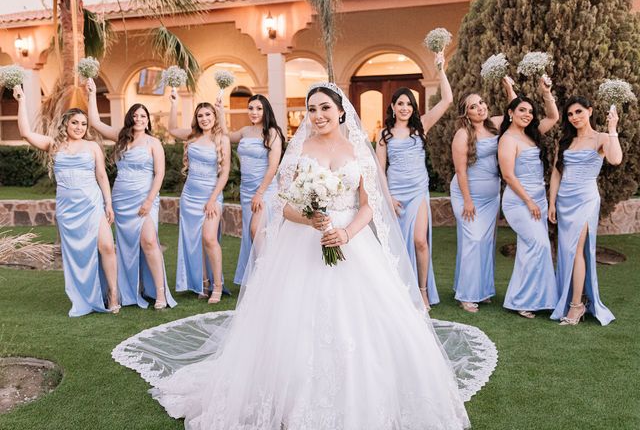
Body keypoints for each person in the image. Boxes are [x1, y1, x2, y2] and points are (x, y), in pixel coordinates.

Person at [112, 83, 504, 429]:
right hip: (304, 243)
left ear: (340, 111)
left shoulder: (357, 149)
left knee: (365, 325)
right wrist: (313, 220)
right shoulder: (300, 150)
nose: (317, 116)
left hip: (351, 244)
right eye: (312, 109)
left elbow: (368, 205)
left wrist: (347, 233)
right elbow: (284, 206)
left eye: (325, 109)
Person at [13, 85, 119, 316]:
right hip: (68, 209)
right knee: (77, 255)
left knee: (107, 246)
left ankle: (113, 293)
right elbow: (25, 133)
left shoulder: (92, 146)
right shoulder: (54, 145)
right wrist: (21, 100)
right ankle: (83, 296)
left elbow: (101, 175)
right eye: (75, 123)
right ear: (66, 124)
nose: (80, 127)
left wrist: (108, 204)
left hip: (92, 203)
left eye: (83, 124)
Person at [87, 79, 176, 310]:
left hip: (145, 199)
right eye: (135, 116)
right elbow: (95, 122)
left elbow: (159, 174)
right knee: (124, 246)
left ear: (148, 121)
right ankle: (128, 291)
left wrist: (148, 201)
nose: (139, 119)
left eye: (143, 116)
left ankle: (160, 293)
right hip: (121, 199)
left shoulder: (154, 143)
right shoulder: (121, 137)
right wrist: (92, 92)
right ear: (130, 118)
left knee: (149, 241)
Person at [375, 51, 452, 310]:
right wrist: (388, 198)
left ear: (413, 107)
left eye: (409, 104)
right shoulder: (383, 135)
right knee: (396, 246)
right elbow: (379, 170)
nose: (405, 107)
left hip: (418, 191)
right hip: (395, 193)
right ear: (393, 107)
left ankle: (422, 291)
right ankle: (399, 290)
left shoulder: (422, 127)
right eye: (400, 104)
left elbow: (448, 100)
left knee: (420, 240)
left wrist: (440, 67)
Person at [549, 97, 622, 325]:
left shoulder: (601, 138)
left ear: (589, 111)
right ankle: (571, 298)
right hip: (564, 201)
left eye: (579, 112)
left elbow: (616, 159)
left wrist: (612, 130)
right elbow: (556, 173)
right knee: (566, 251)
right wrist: (551, 202)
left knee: (577, 250)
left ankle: (576, 305)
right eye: (570, 114)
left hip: (586, 199)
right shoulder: (565, 141)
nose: (575, 117)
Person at [450, 77, 515, 313]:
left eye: (482, 103)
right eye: (474, 106)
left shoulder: (495, 125)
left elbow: (515, 112)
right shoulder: (462, 135)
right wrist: (467, 200)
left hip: (491, 197)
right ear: (466, 113)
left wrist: (509, 89)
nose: (481, 108)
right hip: (467, 195)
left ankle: (482, 290)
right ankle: (466, 294)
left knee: (485, 243)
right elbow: (460, 170)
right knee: (473, 240)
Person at [498, 76, 559, 319]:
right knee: (539, 245)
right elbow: (508, 176)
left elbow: (553, 117)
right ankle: (522, 299)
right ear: (510, 113)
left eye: (531, 112)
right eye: (522, 110)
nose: (528, 114)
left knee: (530, 248)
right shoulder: (507, 140)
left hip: (538, 201)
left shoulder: (531, 135)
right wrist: (529, 202)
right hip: (519, 201)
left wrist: (546, 92)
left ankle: (533, 299)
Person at [168, 91, 231, 303]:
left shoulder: (222, 139)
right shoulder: (192, 136)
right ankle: (202, 283)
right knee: (194, 240)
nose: (204, 119)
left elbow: (225, 172)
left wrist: (213, 199)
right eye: (200, 115)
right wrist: (174, 104)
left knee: (209, 239)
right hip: (190, 196)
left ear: (215, 117)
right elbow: (172, 129)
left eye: (208, 115)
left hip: (211, 196)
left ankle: (218, 286)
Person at [215, 94, 284, 285]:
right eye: (251, 108)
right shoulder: (245, 131)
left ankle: (266, 277)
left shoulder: (272, 133)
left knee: (257, 230)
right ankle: (255, 278)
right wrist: (221, 111)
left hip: (265, 190)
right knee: (251, 234)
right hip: (246, 191)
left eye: (258, 108)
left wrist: (260, 193)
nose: (254, 112)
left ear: (266, 110)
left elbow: (273, 167)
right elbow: (226, 135)